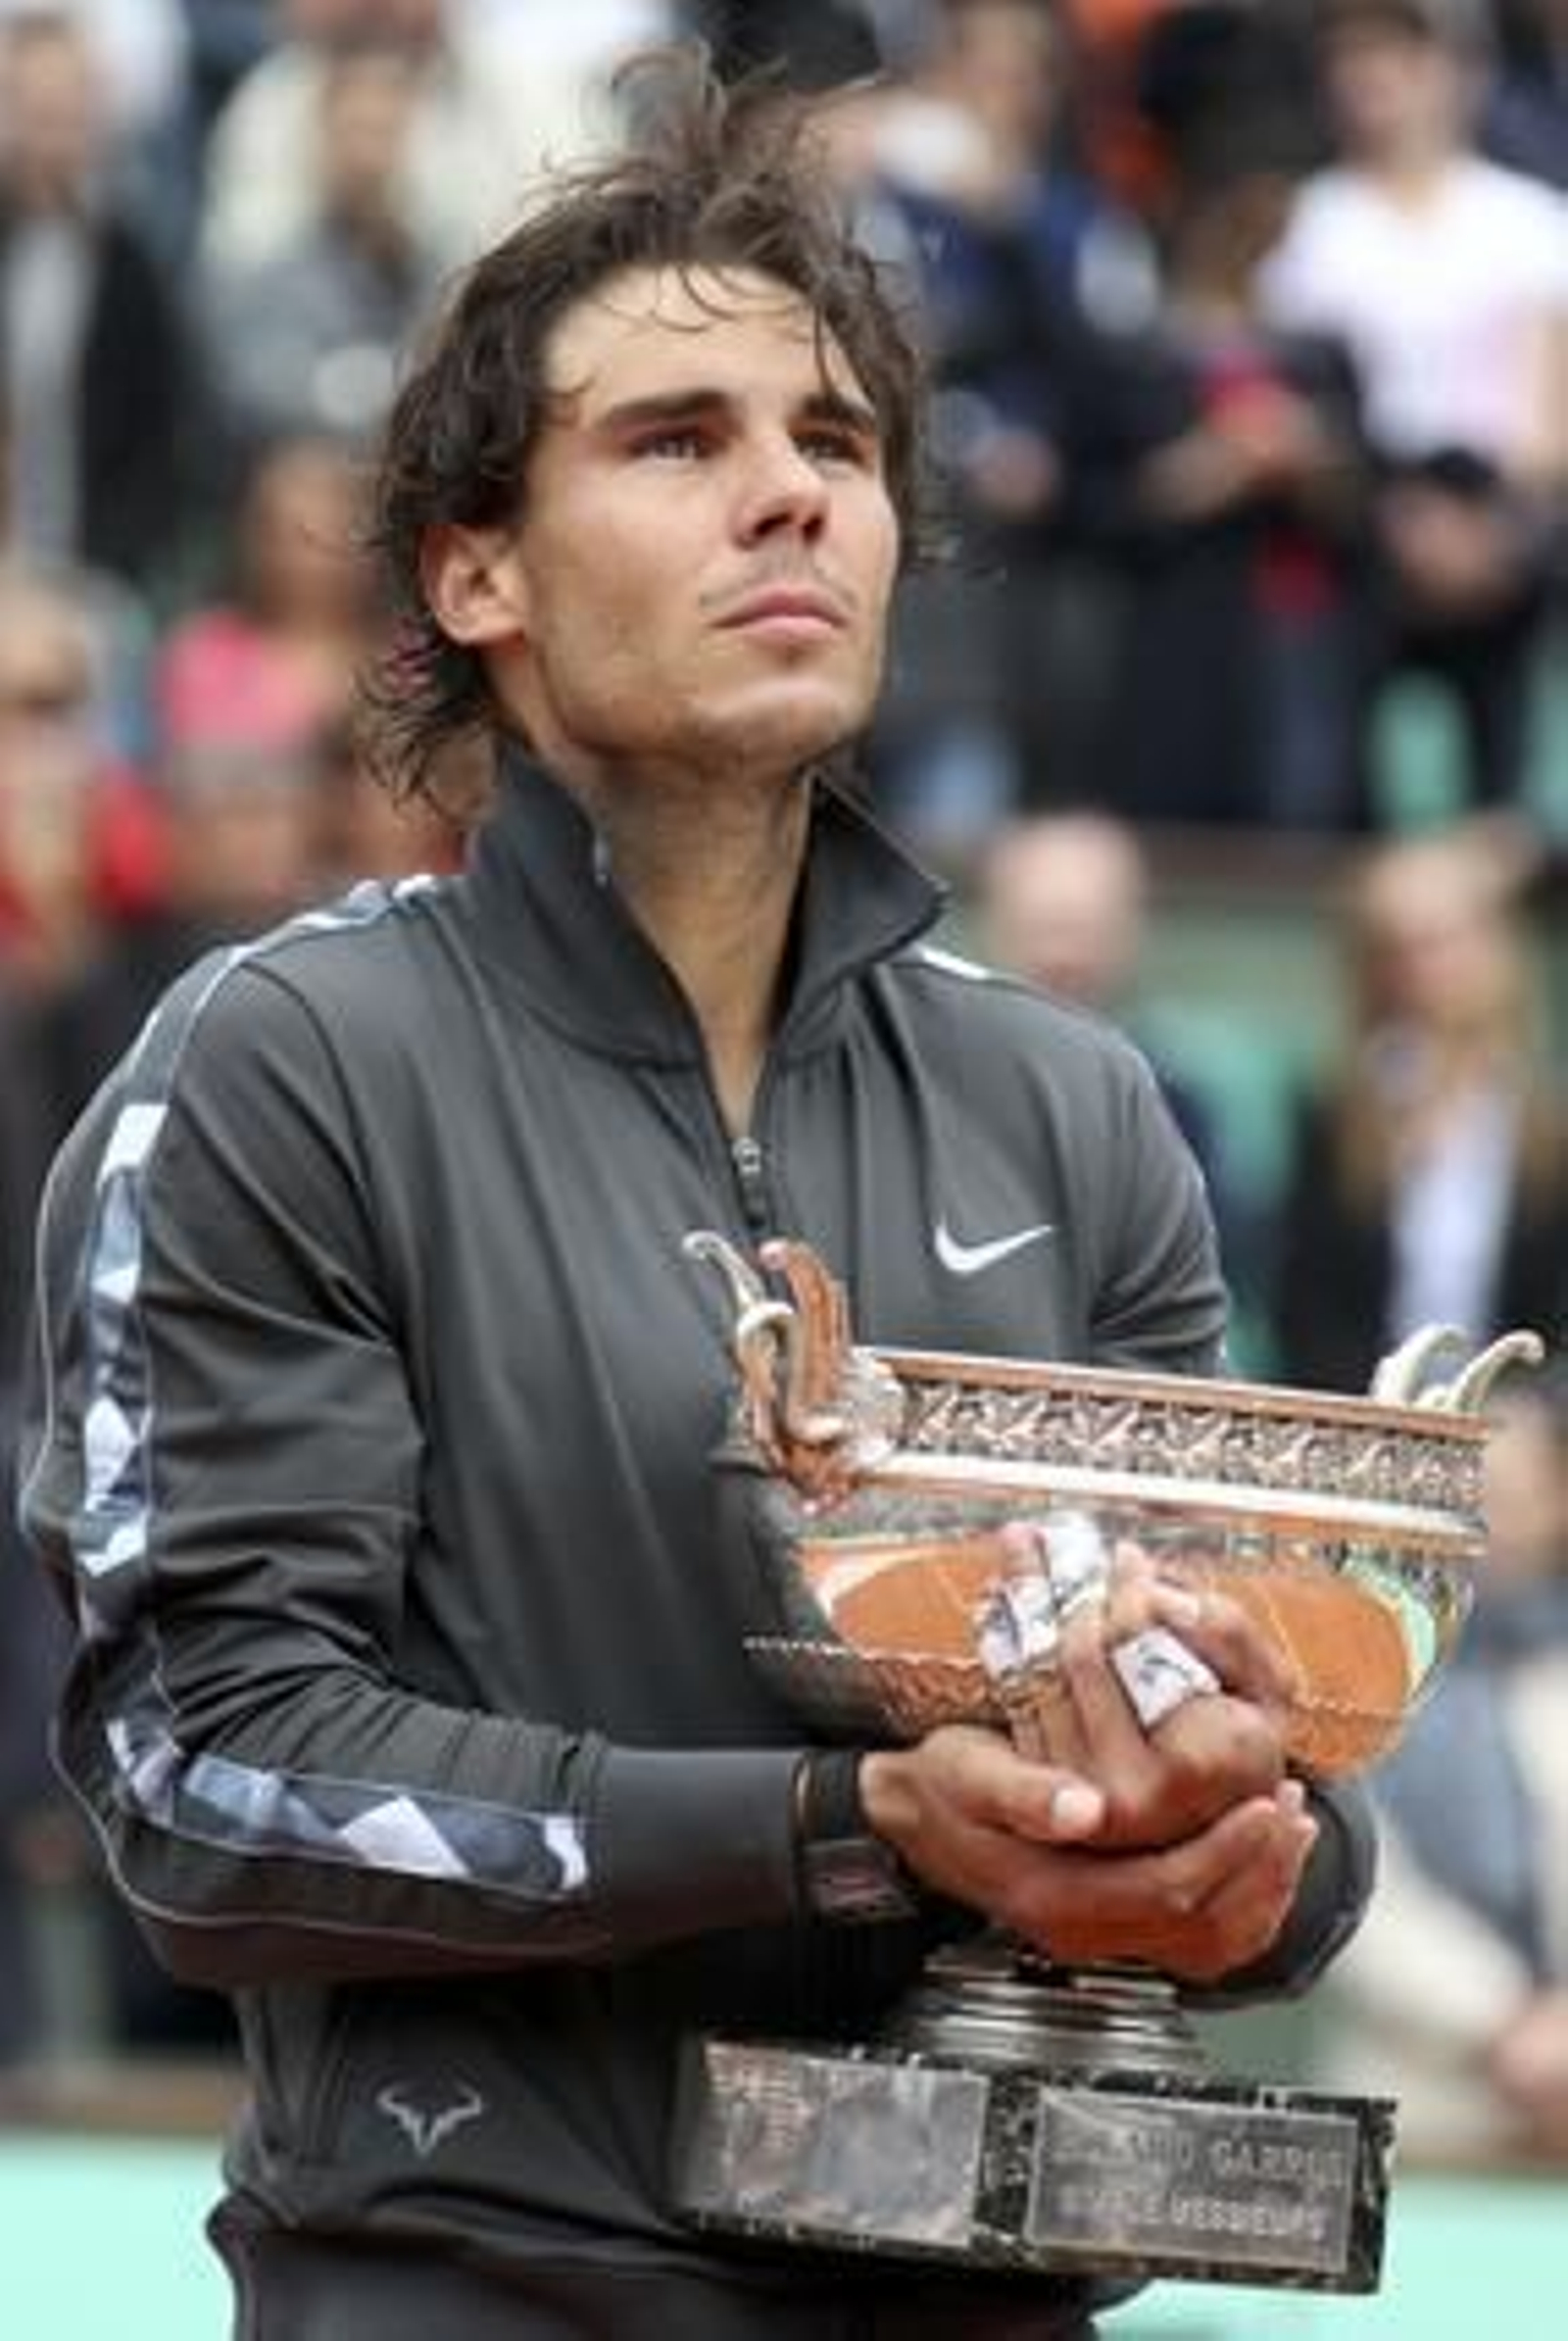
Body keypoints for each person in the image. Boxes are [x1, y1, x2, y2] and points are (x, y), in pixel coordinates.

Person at [20, 51, 1375, 2341]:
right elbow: (203, 1781)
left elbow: (1263, 1752)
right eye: (675, 441)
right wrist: (844, 1828)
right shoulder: (283, 1069)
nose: (789, 497)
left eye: (834, 443)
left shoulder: (1071, 1108)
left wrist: (1251, 1854)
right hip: (474, 2293)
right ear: (475, 571)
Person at [1312, 1363, 1568, 2163]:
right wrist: (1499, 2023)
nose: (1489, 1525)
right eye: (1467, 1499)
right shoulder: (1354, 1667)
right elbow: (1342, 1873)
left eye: (1514, 1495)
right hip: (1413, 2110)